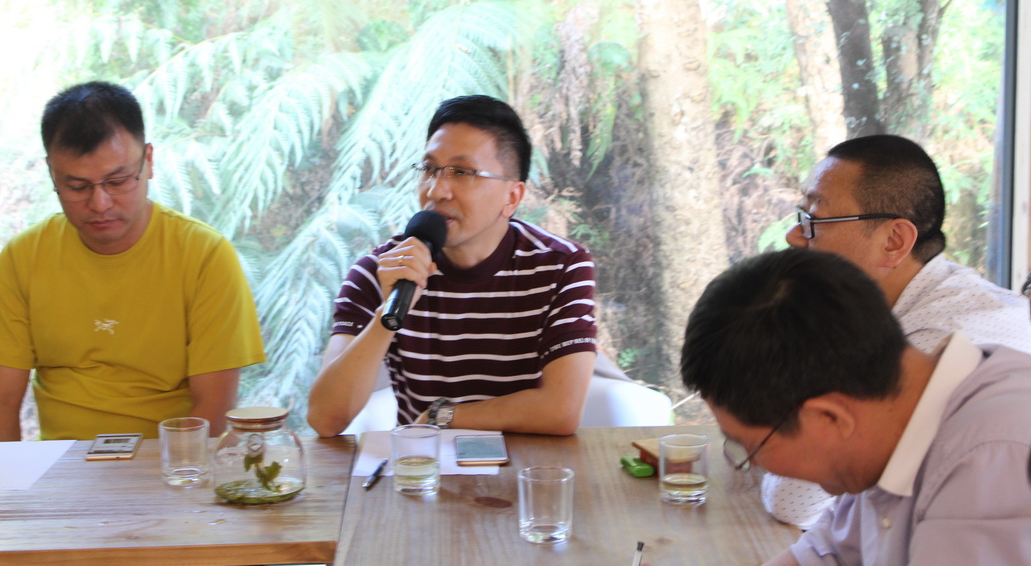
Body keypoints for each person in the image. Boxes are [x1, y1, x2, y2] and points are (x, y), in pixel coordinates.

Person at [681, 248, 1031, 566]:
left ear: (828, 417)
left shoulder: (994, 462)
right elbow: (828, 552)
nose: (755, 466)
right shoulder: (889, 422)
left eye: (751, 449)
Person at [768, 133, 1031, 527]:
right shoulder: (887, 307)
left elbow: (794, 499)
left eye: (813, 221)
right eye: (800, 216)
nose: (794, 236)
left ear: (894, 241)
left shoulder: (947, 340)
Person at [308, 95, 597, 436]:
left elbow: (561, 410)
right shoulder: (381, 270)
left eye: (462, 172)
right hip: (422, 465)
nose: (436, 190)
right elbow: (325, 419)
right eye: (429, 169)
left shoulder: (561, 266)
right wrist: (388, 314)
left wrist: (441, 417)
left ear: (512, 197)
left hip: (527, 463)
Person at [0, 81, 265, 441]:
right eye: (77, 187)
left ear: (149, 161)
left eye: (118, 180)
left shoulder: (204, 255)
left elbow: (213, 409)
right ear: (52, 173)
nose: (100, 203)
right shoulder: (23, 258)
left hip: (168, 459)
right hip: (61, 460)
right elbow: (3, 399)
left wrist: (162, 472)